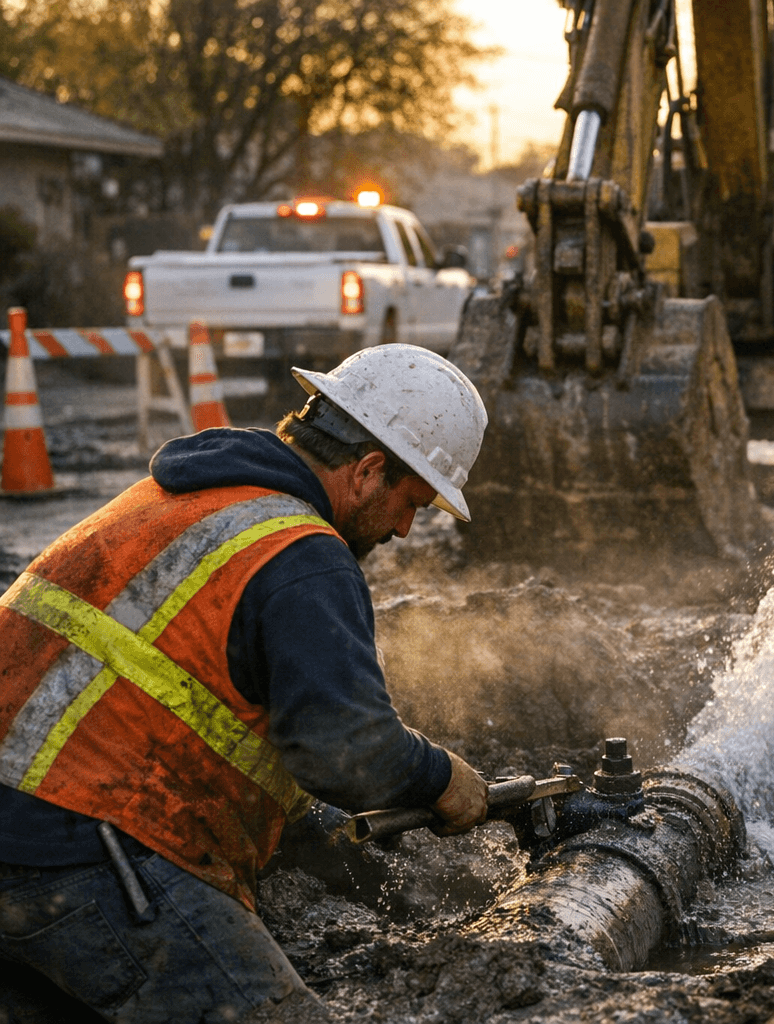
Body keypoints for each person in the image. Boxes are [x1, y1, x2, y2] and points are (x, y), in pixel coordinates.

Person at [0, 344, 492, 1021]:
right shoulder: (302, 553)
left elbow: (181, 706)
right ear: (369, 469)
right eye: (412, 503)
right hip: (84, 852)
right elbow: (346, 749)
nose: (405, 530)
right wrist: (441, 779)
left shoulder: (173, 500)